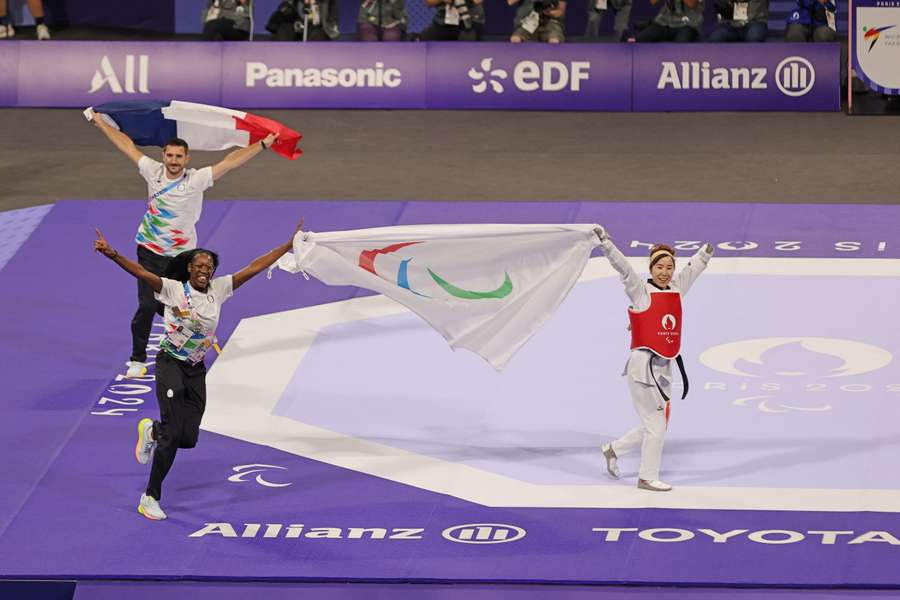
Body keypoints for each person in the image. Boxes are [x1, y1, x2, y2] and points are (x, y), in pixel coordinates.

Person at [92, 220, 305, 520]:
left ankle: (151, 430)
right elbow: (141, 272)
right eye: (200, 265)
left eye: (209, 266)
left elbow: (254, 268)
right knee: (173, 432)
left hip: (195, 369)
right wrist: (112, 254)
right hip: (170, 364)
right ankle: (150, 496)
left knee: (187, 438)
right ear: (189, 268)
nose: (205, 270)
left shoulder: (218, 290)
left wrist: (286, 245)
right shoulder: (172, 289)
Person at [88, 110, 277, 379]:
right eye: (169, 155)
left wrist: (262, 144)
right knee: (146, 305)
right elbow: (125, 144)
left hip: (181, 257)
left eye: (179, 156)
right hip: (149, 250)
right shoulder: (151, 171)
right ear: (163, 156)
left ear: (186, 159)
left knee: (181, 308)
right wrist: (100, 124)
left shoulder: (196, 179)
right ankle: (137, 359)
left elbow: (230, 162)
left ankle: (190, 348)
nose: (173, 161)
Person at [594, 226, 713, 492]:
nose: (665, 272)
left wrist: (704, 255)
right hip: (642, 369)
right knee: (656, 428)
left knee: (655, 424)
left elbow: (691, 273)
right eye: (660, 266)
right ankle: (646, 477)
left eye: (669, 267)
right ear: (651, 268)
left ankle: (612, 450)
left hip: (664, 370)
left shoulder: (675, 290)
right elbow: (623, 268)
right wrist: (606, 244)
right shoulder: (640, 292)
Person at [266, 0, 340, 41]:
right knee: (285, 30)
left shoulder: (327, 2)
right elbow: (283, 8)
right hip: (297, 26)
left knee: (318, 35)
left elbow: (331, 20)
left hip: (317, 28)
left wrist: (313, 4)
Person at [635, 0, 704, 42]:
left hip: (687, 24)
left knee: (681, 46)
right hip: (665, 22)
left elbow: (692, 4)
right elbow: (653, 1)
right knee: (640, 39)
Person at [420, 0, 485, 41]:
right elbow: (429, 2)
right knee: (426, 38)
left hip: (469, 22)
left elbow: (478, 1)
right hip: (443, 21)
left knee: (466, 49)